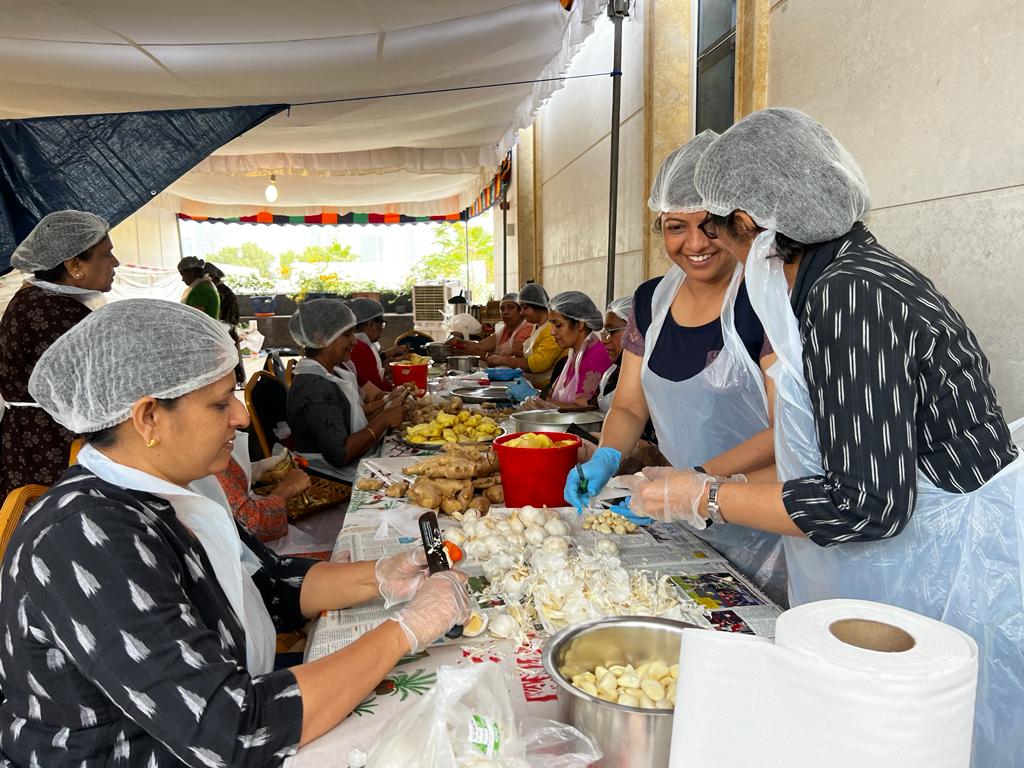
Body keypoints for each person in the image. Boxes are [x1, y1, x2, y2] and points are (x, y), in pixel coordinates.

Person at [629, 108, 1023, 767]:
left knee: (932, 742)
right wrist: (699, 488)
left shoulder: (851, 296)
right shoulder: (839, 279)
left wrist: (705, 497)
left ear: (750, 225)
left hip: (950, 577)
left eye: (719, 231)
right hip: (907, 569)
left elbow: (865, 503)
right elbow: (827, 456)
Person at [0, 299, 471, 764]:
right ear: (148, 418)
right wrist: (403, 630)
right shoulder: (85, 538)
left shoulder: (174, 490)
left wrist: (384, 575)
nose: (243, 417)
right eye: (220, 403)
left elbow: (266, 583)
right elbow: (229, 730)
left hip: (235, 694)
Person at [564, 132, 783, 600]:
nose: (695, 243)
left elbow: (787, 430)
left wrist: (695, 482)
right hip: (686, 522)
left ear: (738, 222)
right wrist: (607, 456)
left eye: (710, 225)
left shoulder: (765, 298)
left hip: (766, 521)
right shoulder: (649, 302)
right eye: (675, 226)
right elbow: (626, 406)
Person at [0, 210, 118, 498]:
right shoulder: (51, 311)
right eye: (107, 254)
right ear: (75, 265)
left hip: (38, 435)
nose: (115, 262)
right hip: (51, 443)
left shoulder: (40, 301)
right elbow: (94, 385)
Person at [287, 299, 404, 481]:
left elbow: (349, 420)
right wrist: (383, 420)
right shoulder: (314, 387)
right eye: (347, 335)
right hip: (327, 477)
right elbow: (340, 455)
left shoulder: (334, 372)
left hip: (351, 465)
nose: (355, 341)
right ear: (320, 339)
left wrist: (388, 404)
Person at [523, 291, 612, 409]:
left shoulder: (596, 356)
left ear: (580, 324)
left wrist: (545, 403)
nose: (552, 332)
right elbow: (552, 392)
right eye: (551, 326)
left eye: (558, 325)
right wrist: (538, 397)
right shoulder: (573, 353)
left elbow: (582, 410)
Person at [216, 434, 311, 542]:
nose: (244, 421)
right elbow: (252, 526)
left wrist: (254, 470)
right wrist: (288, 488)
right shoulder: (206, 458)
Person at [486, 282, 565, 388]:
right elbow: (535, 352)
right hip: (534, 384)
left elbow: (538, 364)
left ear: (538, 306)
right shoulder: (537, 326)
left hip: (547, 387)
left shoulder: (551, 330)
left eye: (525, 308)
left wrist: (504, 360)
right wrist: (514, 352)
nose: (521, 313)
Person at [347, 297, 408, 392]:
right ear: (371, 324)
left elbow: (372, 375)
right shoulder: (359, 347)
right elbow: (377, 390)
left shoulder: (361, 344)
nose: (383, 329)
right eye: (382, 324)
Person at [204, 261, 246, 385]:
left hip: (226, 330)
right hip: (229, 329)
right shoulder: (222, 290)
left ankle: (235, 381)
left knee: (230, 360)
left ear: (212, 276)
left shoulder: (219, 291)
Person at [454, 292, 533, 357]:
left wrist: (477, 353)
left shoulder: (527, 328)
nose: (505, 312)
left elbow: (511, 358)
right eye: (502, 309)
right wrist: (458, 342)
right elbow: (480, 346)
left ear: (520, 311)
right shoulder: (504, 329)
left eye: (511, 307)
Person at [594, 296, 633, 413]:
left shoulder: (647, 376)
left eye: (612, 331)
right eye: (605, 332)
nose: (604, 340)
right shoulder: (613, 371)